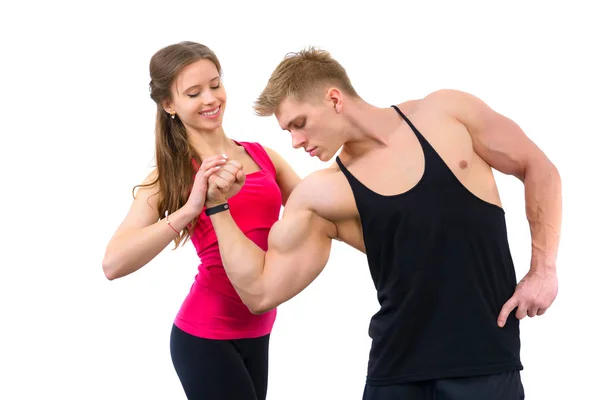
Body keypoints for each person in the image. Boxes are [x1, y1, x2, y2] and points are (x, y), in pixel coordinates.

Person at [202, 47, 561, 400]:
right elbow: (260, 293)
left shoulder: (447, 112)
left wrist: (543, 269)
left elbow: (538, 167)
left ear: (334, 99)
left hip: (485, 364)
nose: (296, 142)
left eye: (300, 124)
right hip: (396, 374)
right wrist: (218, 207)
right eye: (288, 132)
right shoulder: (322, 194)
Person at [101, 41, 300, 400]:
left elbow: (318, 209)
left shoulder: (263, 156)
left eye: (215, 84)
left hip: (259, 331)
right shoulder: (170, 176)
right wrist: (191, 208)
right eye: (194, 93)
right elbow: (114, 263)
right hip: (205, 337)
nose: (211, 99)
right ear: (168, 105)